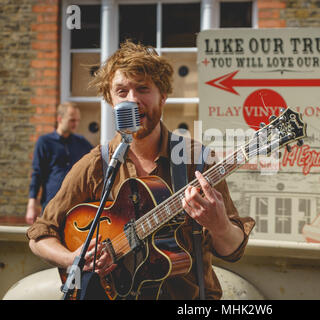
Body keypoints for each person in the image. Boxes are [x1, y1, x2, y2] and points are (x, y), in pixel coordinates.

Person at [27, 41, 255, 300]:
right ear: (111, 101)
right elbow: (40, 236)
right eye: (122, 91)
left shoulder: (197, 160)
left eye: (143, 88)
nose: (132, 100)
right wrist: (72, 258)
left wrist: (220, 224)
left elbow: (233, 249)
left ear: (163, 96)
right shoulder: (94, 165)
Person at [26, 102, 93, 224]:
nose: (76, 124)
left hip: (77, 205)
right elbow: (37, 173)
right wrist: (31, 204)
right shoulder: (44, 142)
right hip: (51, 204)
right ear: (60, 119)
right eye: (72, 120)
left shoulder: (82, 143)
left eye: (78, 120)